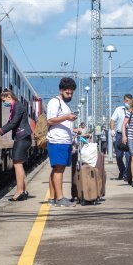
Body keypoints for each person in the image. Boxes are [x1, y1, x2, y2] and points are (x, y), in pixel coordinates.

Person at [0, 90, 32, 201]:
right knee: (18, 164)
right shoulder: (16, 107)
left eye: (4, 100)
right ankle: (23, 191)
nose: (4, 103)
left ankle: (19, 191)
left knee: (17, 164)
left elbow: (13, 123)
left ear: (8, 96)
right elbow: (10, 123)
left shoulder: (18, 106)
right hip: (22, 138)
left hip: (22, 138)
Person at [46, 77, 79, 207]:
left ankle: (52, 198)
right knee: (59, 169)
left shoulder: (65, 104)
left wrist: (73, 129)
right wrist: (67, 117)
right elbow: (50, 120)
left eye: (71, 93)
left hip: (64, 140)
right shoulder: (55, 102)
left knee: (56, 169)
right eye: (67, 93)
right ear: (61, 90)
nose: (70, 95)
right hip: (57, 140)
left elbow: (61, 122)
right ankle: (60, 198)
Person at [109, 94, 132, 180]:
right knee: (119, 156)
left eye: (129, 101)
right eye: (126, 100)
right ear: (124, 101)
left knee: (128, 155)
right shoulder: (118, 109)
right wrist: (112, 130)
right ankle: (122, 171)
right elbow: (112, 120)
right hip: (119, 134)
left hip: (129, 134)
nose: (127, 102)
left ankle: (126, 174)